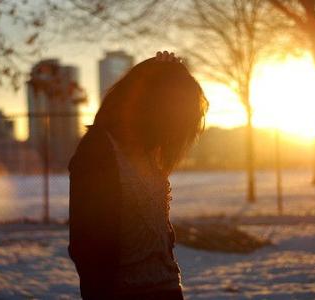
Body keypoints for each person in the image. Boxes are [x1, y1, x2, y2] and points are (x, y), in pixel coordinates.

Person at [68, 51, 209, 300]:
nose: (174, 130)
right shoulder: (99, 151)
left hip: (167, 289)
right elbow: (86, 242)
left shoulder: (148, 151)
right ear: (153, 106)